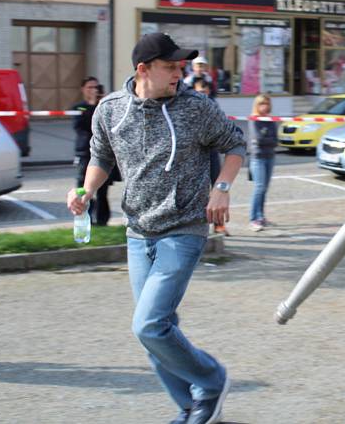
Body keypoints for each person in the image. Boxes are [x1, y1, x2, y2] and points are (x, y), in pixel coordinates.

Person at [66, 32, 246, 424]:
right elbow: (101, 156)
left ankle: (212, 382)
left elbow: (235, 144)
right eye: (170, 67)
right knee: (157, 332)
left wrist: (222, 189)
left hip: (184, 228)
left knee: (149, 325)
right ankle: (190, 406)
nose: (178, 75)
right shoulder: (111, 110)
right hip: (138, 233)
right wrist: (86, 189)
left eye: (181, 67)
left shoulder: (197, 107)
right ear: (143, 70)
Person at [71, 76, 114, 226]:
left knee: (102, 191)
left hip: (103, 152)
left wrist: (102, 101)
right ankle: (84, 218)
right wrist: (90, 104)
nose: (93, 90)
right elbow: (81, 126)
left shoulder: (104, 106)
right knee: (83, 188)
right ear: (83, 89)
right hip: (85, 152)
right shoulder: (79, 107)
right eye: (90, 87)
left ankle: (102, 221)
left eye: (96, 87)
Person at [193, 79, 228, 235]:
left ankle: (219, 224)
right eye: (200, 91)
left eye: (205, 91)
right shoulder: (189, 106)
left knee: (217, 189)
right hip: (195, 155)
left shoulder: (213, 106)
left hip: (212, 152)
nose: (203, 94)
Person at [247, 93, 277, 231]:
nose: (264, 107)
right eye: (262, 104)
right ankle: (253, 219)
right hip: (257, 157)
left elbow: (275, 139)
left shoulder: (271, 119)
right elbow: (258, 139)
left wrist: (267, 137)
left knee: (264, 188)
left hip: (270, 156)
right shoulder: (254, 119)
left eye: (267, 104)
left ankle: (261, 215)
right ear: (257, 105)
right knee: (259, 188)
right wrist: (267, 138)